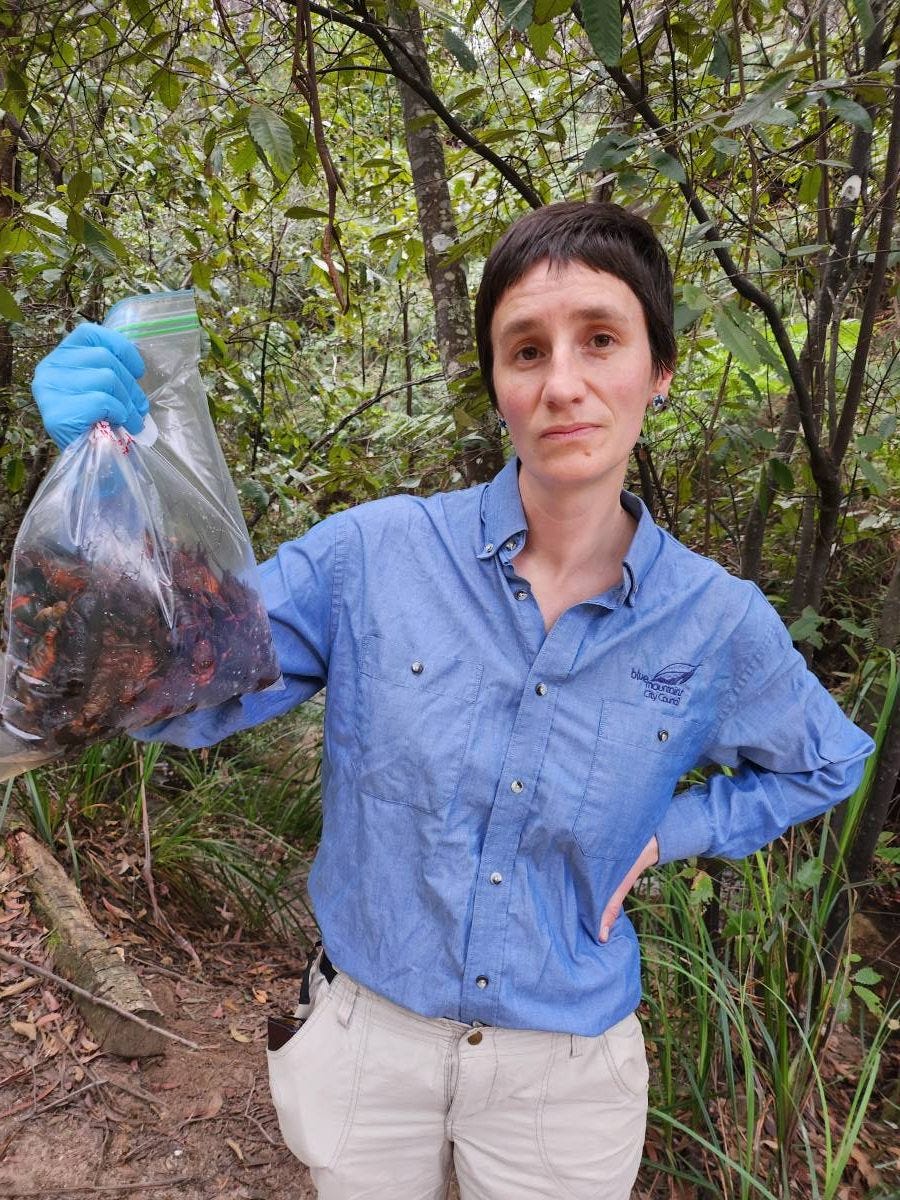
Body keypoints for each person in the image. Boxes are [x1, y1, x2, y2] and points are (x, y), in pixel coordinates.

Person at [31, 201, 874, 1200]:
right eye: (526, 351)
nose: (563, 383)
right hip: (367, 1050)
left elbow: (829, 759)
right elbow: (174, 689)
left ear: (660, 371)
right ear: (499, 387)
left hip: (561, 1081)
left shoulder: (716, 624)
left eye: (600, 340)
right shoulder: (377, 556)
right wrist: (109, 488)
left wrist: (667, 836)